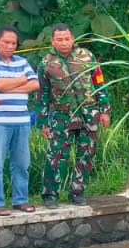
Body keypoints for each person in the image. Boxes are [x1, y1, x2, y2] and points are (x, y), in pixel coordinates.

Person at [36, 24, 111, 207]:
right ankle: (50, 195)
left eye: (67, 39)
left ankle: (78, 191)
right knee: (56, 155)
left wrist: (105, 110)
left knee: (86, 154)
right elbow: (42, 94)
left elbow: (99, 83)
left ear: (73, 38)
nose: (64, 43)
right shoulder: (46, 63)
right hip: (63, 116)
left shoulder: (87, 56)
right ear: (53, 41)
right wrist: (43, 122)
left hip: (89, 113)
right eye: (59, 39)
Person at [0, 26, 40, 216]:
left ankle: (20, 200)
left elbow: (36, 84)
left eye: (13, 43)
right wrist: (22, 79)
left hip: (21, 119)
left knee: (22, 162)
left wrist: (8, 88)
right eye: (6, 42)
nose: (10, 46)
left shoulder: (22, 61)